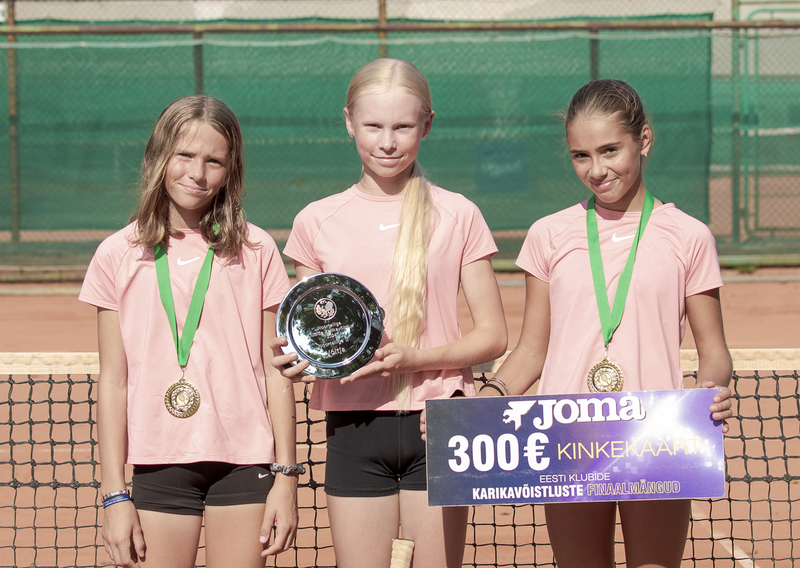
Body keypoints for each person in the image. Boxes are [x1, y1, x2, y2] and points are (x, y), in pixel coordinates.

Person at [477, 79, 734, 568]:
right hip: (566, 439)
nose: (596, 170)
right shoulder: (548, 235)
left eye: (610, 150)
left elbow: (715, 352)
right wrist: (485, 401)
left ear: (644, 140)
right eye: (581, 155)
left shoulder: (690, 237)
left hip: (658, 437)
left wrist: (710, 389)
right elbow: (532, 350)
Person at [271, 58, 507, 568]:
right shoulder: (315, 221)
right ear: (349, 122)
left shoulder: (459, 214)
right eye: (373, 125)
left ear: (427, 124)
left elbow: (493, 336)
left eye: (402, 126)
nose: (387, 142)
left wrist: (417, 359)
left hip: (440, 422)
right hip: (353, 429)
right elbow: (314, 333)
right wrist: (302, 359)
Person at [79, 95, 299, 568]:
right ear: (159, 155)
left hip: (246, 462)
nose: (197, 173)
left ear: (231, 169)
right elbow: (113, 381)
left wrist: (286, 477)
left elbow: (276, 371)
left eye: (213, 160)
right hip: (159, 462)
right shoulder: (116, 254)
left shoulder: (258, 249)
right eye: (184, 155)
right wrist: (114, 495)